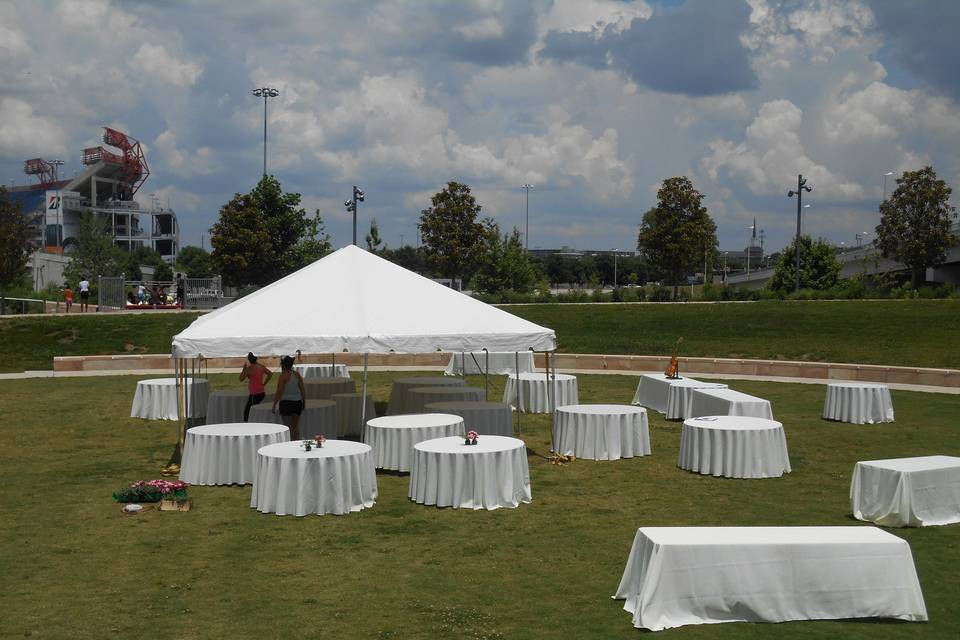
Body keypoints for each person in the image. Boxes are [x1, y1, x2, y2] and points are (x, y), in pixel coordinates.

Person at [273, 355, 306, 440]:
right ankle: (296, 442)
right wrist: (304, 402)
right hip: (297, 402)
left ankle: (289, 444)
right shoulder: (297, 375)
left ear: (283, 365)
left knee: (287, 427)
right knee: (295, 426)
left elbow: (279, 391)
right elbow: (302, 389)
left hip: (286, 403)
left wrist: (274, 404)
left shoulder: (283, 376)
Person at [240, 352, 272, 422]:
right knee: (254, 410)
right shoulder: (261, 366)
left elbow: (241, 379)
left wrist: (244, 369)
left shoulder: (249, 368)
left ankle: (250, 425)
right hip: (261, 392)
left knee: (247, 413)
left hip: (254, 394)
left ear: (249, 359)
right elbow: (270, 374)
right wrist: (264, 384)